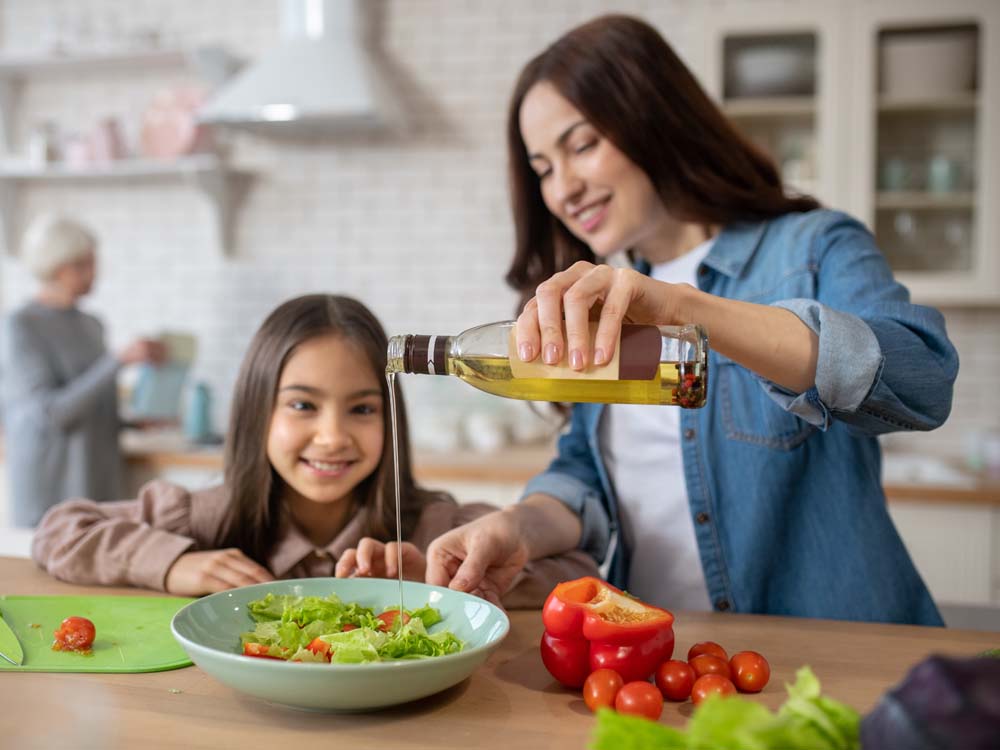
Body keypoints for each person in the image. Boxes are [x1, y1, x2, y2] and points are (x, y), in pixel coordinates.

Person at [425, 14, 959, 625]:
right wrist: (516, 526)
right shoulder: (595, 299)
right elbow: (587, 478)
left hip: (830, 665)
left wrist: (685, 308)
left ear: (653, 118)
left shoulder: (811, 248)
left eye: (582, 145)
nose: (564, 189)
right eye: (543, 168)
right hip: (658, 666)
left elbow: (922, 378)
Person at [32, 294, 596, 605]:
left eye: (362, 408)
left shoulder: (434, 527)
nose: (332, 437)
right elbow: (61, 529)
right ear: (258, 414)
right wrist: (175, 563)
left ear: (390, 418)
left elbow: (581, 573)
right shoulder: (205, 518)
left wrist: (448, 583)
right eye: (303, 406)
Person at [1, 214, 165, 528]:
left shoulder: (92, 325)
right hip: (49, 486)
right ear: (61, 267)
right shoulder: (20, 326)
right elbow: (51, 413)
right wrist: (117, 361)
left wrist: (132, 422)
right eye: (87, 263)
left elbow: (90, 404)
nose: (96, 272)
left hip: (96, 481)